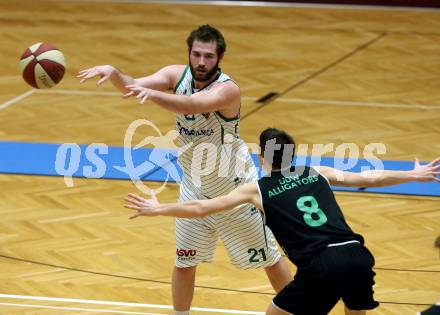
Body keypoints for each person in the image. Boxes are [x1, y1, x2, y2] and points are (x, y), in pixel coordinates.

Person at [78, 25, 291, 315]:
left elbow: (191, 104)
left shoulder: (228, 90)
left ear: (221, 57)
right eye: (196, 54)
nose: (201, 62)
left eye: (209, 56)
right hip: (194, 183)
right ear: (189, 53)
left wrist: (150, 95)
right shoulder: (175, 75)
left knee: (269, 258)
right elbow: (133, 85)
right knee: (184, 261)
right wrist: (115, 73)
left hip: (235, 189)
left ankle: (300, 309)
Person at [125, 128, 440, 315]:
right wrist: (414, 174)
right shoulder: (316, 171)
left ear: (262, 157)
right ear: (292, 154)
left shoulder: (257, 189)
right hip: (357, 254)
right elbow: (369, 178)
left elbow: (202, 208)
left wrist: (158, 208)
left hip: (321, 263)